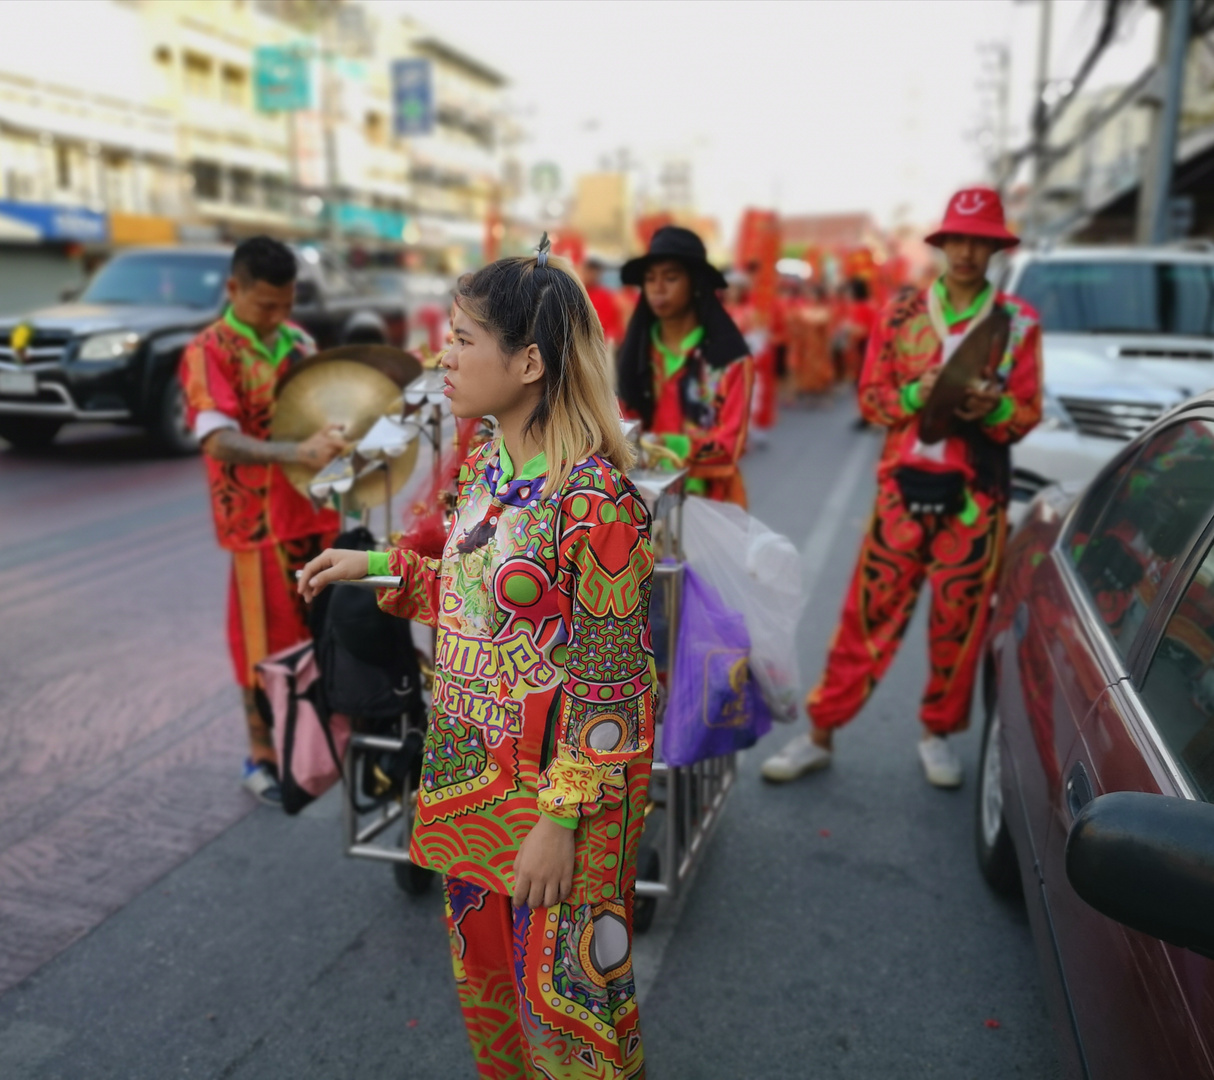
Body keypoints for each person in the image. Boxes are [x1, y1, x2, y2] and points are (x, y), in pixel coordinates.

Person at [298, 241, 655, 1079]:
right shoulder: (490, 464)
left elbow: (615, 691)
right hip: (469, 783)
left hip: (557, 805)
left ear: (529, 361)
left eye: (462, 339)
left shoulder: (596, 502)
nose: (441, 357)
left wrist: (560, 821)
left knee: (571, 1017)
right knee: (490, 999)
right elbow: (476, 602)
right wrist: (382, 565)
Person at [762, 187, 1043, 788]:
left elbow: (1025, 414)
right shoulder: (902, 314)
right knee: (866, 615)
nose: (967, 251)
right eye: (958, 239)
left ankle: (936, 733)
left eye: (980, 240)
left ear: (996, 247)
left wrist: (987, 407)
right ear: (942, 244)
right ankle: (820, 732)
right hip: (901, 490)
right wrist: (923, 393)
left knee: (959, 622)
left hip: (977, 497)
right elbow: (873, 399)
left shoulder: (1018, 324)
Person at [180, 236, 345, 804]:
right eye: (264, 306)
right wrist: (296, 453)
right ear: (234, 291)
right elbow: (219, 440)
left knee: (319, 633)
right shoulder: (209, 351)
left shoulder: (298, 341)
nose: (278, 318)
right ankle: (262, 757)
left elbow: (324, 412)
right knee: (260, 646)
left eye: (285, 305)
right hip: (256, 525)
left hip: (313, 513)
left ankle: (318, 742)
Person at [617, 225, 754, 506]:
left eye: (671, 277)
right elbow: (618, 420)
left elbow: (729, 447)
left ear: (696, 283)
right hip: (641, 501)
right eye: (650, 279)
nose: (657, 288)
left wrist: (666, 445)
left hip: (710, 502)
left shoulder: (728, 359)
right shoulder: (635, 355)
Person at [580, 254, 625, 349]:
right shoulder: (577, 294)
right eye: (588, 271)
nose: (591, 275)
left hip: (602, 343)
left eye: (594, 272)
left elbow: (613, 324)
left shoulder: (606, 295)